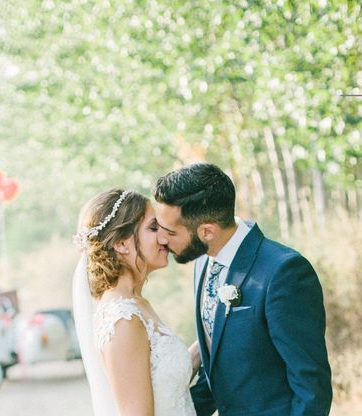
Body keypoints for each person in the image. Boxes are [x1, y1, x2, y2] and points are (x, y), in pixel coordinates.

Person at [154, 163, 333, 416]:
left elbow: (311, 385)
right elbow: (217, 366)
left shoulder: (284, 272)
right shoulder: (203, 263)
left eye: (170, 231)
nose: (162, 239)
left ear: (207, 231)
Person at [72, 188, 198, 416]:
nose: (164, 237)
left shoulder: (136, 303)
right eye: (153, 228)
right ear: (121, 243)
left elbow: (162, 383)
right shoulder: (123, 319)